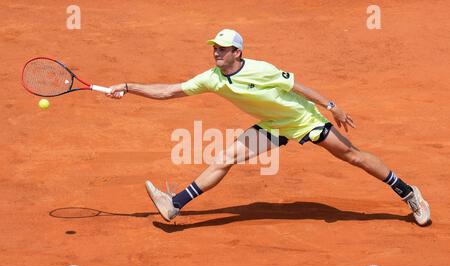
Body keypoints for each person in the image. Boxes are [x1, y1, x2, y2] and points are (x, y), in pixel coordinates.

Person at [107, 29, 431, 226]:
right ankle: (175, 204)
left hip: (303, 120)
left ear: (237, 52)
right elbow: (170, 91)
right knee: (225, 158)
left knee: (354, 157)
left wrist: (332, 107)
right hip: (272, 125)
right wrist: (126, 85)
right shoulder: (212, 78)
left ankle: (409, 193)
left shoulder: (262, 70)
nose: (216, 52)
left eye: (222, 49)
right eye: (214, 48)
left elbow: (299, 88)